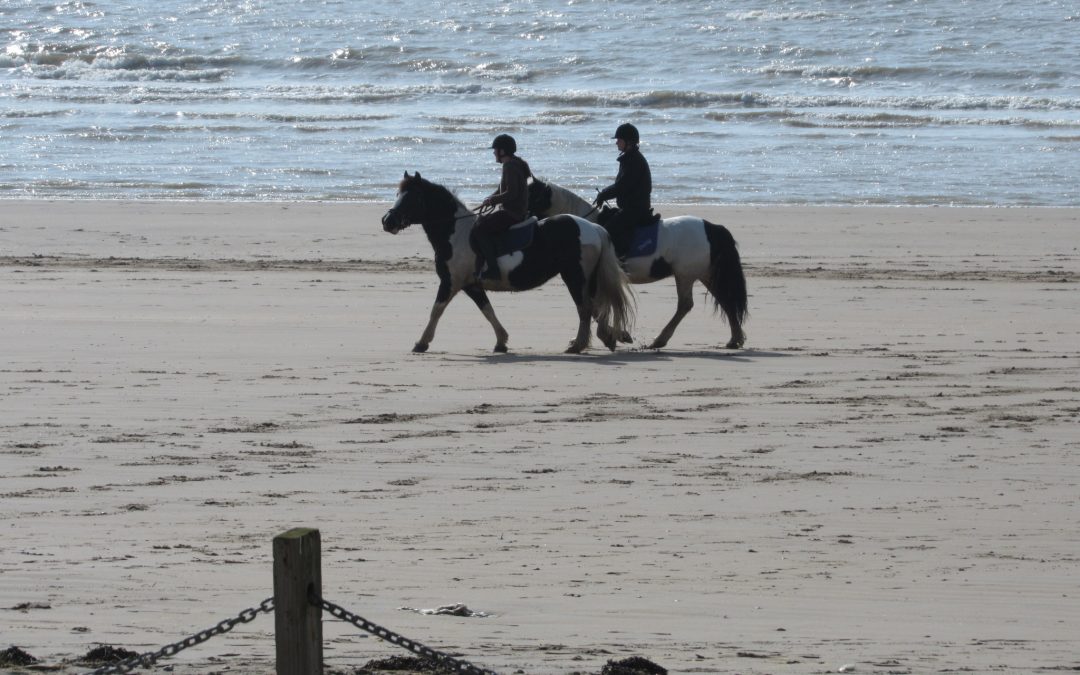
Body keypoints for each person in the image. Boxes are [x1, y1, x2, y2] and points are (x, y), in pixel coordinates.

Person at [471, 134, 532, 281]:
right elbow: (501, 189)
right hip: (515, 210)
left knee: (479, 230)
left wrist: (493, 200)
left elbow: (511, 193)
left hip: (512, 213)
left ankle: (493, 269)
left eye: (495, 150)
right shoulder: (514, 163)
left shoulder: (510, 166)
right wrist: (490, 198)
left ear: (502, 151)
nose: (493, 153)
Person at [594, 123, 654, 257]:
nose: (616, 143)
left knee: (609, 230)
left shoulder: (634, 161)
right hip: (630, 207)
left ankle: (620, 258)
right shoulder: (629, 158)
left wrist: (603, 194)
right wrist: (604, 194)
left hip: (636, 209)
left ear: (629, 142)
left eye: (619, 140)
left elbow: (621, 187)